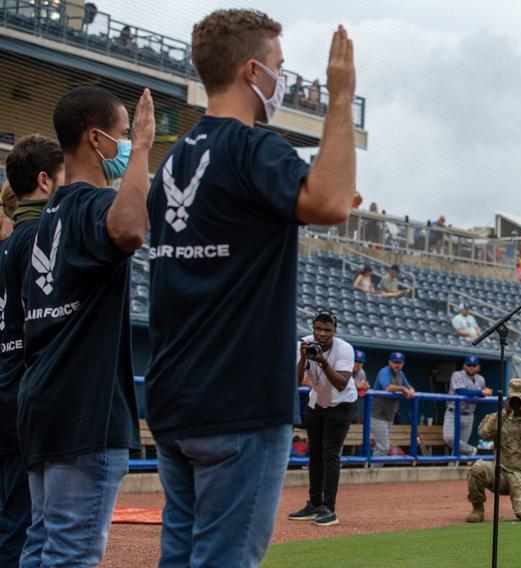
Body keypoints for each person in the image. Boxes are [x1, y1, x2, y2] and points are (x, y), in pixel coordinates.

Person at [144, 10, 356, 566]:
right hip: (237, 402)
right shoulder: (254, 148)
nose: (282, 79)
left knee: (181, 557)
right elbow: (330, 203)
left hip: (176, 399)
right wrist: (340, 99)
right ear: (251, 71)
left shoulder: (173, 162)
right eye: (279, 67)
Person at [18, 86, 153, 567]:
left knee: (40, 548)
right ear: (96, 139)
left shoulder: (47, 216)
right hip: (83, 411)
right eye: (120, 135)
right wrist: (141, 150)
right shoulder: (90, 205)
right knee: (70, 555)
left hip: (44, 405)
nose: (126, 144)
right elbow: (130, 229)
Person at [0, 135, 65, 566]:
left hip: (7, 389)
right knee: (24, 526)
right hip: (24, 398)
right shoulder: (37, 238)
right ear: (45, 181)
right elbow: (39, 317)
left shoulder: (7, 244)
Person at [289, 312, 355, 527]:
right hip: (317, 402)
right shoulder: (304, 343)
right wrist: (303, 359)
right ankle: (314, 504)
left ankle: (329, 508)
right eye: (318, 328)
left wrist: (323, 361)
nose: (322, 334)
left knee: (330, 454)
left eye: (327, 330)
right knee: (315, 453)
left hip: (341, 404)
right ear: (313, 327)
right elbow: (297, 381)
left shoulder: (344, 349)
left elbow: (341, 384)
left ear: (334, 331)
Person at [465, 379, 521, 523]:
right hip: (501, 473)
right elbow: (483, 433)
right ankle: (477, 509)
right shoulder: (499, 418)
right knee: (477, 469)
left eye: (520, 399)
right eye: (514, 398)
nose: (517, 402)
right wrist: (504, 413)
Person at [443, 356, 492, 456]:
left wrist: (486, 393)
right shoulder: (457, 375)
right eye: (469, 365)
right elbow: (461, 391)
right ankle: (473, 451)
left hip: (469, 414)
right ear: (465, 365)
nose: (471, 367)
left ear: (478, 367)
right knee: (449, 438)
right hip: (453, 412)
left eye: (474, 365)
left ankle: (453, 467)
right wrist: (481, 392)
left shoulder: (480, 379)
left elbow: (483, 394)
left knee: (460, 448)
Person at [370, 352, 414, 462]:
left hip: (389, 417)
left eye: (399, 363)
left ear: (403, 364)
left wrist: (411, 390)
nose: (397, 365)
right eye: (395, 362)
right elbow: (387, 387)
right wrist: (403, 389)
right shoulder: (384, 371)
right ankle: (374, 474)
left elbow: (410, 387)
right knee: (383, 447)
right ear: (389, 362)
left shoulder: (401, 374)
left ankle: (374, 473)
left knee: (381, 447)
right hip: (378, 416)